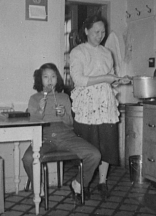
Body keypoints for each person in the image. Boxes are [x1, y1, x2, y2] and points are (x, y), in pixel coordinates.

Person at [70, 14, 131, 199]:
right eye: (96, 31)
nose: (100, 35)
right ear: (86, 31)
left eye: (103, 32)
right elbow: (78, 80)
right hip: (87, 107)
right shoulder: (78, 52)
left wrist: (119, 80)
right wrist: (106, 78)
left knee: (108, 146)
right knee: (89, 148)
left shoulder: (107, 53)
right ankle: (83, 182)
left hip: (106, 106)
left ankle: (102, 182)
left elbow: (110, 79)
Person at [22, 63, 101, 203]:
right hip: (44, 137)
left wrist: (64, 114)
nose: (50, 80)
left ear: (57, 79)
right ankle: (37, 185)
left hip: (66, 136)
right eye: (46, 77)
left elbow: (70, 123)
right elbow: (32, 123)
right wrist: (40, 111)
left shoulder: (64, 97)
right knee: (28, 158)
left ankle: (78, 184)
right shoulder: (34, 98)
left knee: (95, 154)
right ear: (40, 80)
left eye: (53, 76)